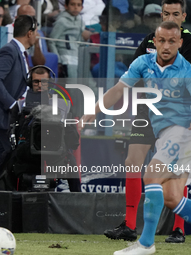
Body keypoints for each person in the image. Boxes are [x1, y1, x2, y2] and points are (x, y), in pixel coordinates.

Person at [81, 21, 191, 255]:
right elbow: (119, 90)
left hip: (182, 132)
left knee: (151, 174)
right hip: (161, 132)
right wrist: (93, 111)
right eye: (161, 40)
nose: (166, 45)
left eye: (172, 41)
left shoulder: (187, 71)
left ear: (180, 43)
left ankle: (146, 243)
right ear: (155, 42)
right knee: (172, 198)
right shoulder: (143, 63)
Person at [0, 15, 38, 190]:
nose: (37, 36)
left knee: (0, 160)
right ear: (29, 33)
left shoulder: (18, 53)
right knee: (16, 157)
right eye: (36, 33)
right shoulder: (9, 51)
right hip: (3, 116)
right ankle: (1, 200)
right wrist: (12, 105)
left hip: (11, 119)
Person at [48, 0, 91, 78]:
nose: (75, 7)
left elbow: (80, 40)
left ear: (82, 7)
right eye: (72, 4)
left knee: (88, 83)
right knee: (72, 85)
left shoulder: (80, 21)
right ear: (66, 6)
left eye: (78, 5)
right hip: (66, 59)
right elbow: (51, 41)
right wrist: (58, 60)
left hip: (78, 57)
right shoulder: (61, 21)